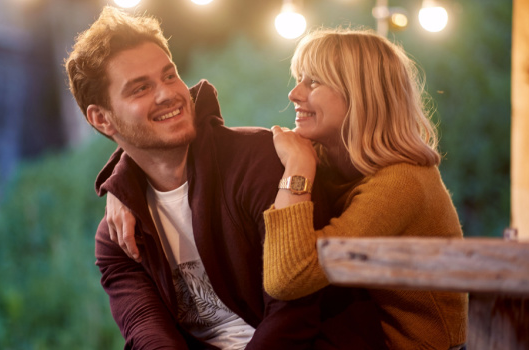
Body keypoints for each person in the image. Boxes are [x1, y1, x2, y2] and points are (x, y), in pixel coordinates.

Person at [64, 7, 381, 349]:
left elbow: (297, 310)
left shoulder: (264, 161)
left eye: (169, 76)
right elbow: (145, 329)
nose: (167, 93)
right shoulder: (118, 234)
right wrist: (119, 185)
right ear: (101, 119)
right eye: (140, 88)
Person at [263, 28, 468, 349]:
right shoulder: (337, 164)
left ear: (360, 95)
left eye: (312, 82)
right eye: (299, 79)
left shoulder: (402, 181)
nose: (294, 94)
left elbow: (287, 278)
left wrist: (298, 167)